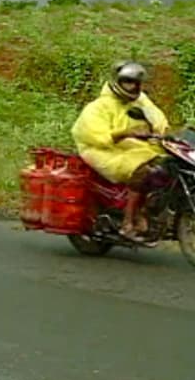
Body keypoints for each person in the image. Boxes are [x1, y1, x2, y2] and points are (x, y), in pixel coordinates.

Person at [71, 61, 170, 243]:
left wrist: (161, 132)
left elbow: (158, 119)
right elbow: (94, 135)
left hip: (131, 147)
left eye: (137, 83)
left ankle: (151, 210)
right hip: (100, 150)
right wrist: (125, 133)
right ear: (118, 81)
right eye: (128, 82)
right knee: (141, 170)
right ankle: (128, 222)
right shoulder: (98, 107)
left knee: (166, 164)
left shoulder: (140, 101)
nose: (133, 87)